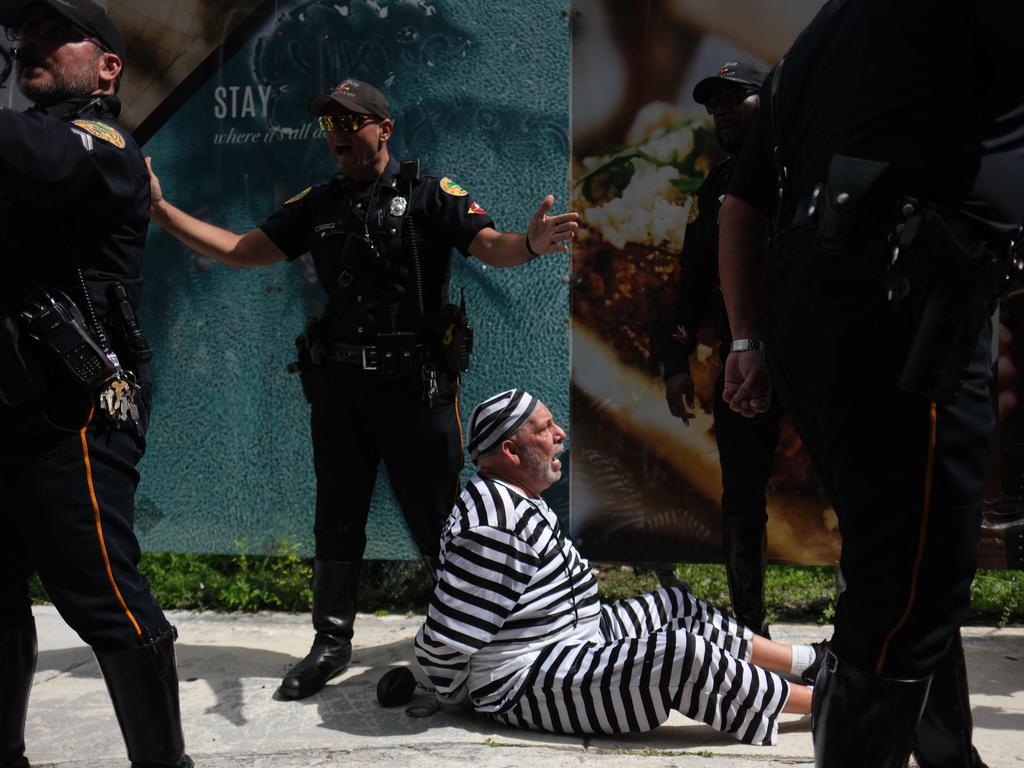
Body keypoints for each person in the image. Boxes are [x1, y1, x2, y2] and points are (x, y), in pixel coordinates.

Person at [146, 78, 580, 701]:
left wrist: (532, 244)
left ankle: (469, 639)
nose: (339, 137)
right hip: (342, 390)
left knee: (438, 520)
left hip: (416, 389)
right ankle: (330, 642)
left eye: (351, 124)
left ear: (384, 128)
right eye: (330, 126)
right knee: (337, 515)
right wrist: (161, 210)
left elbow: (491, 245)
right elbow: (243, 251)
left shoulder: (430, 194)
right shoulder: (317, 204)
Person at [718, 1, 1023, 765]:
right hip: (908, 303)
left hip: (818, 309)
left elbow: (743, 205)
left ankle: (952, 757)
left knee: (908, 558)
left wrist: (749, 338)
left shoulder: (822, 34)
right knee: (906, 589)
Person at [0, 1, 192, 767]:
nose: (30, 43)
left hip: (73, 413)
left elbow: (38, 155)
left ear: (109, 66)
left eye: (55, 33)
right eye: (26, 33)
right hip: (9, 408)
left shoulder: (105, 142)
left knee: (106, 599)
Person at [415, 388, 826, 745]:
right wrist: (462, 694)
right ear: (510, 451)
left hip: (579, 638)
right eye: (545, 429)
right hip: (525, 680)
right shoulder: (493, 527)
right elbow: (444, 640)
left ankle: (809, 661)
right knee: (679, 653)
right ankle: (826, 702)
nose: (560, 435)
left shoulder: (513, 494)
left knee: (672, 604)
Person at [661, 60, 781, 637]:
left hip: (809, 359)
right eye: (714, 103)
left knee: (845, 487)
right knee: (741, 492)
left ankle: (858, 628)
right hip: (741, 357)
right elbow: (691, 279)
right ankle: (752, 630)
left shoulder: (804, 170)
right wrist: (674, 361)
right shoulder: (717, 185)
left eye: (736, 97)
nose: (722, 111)